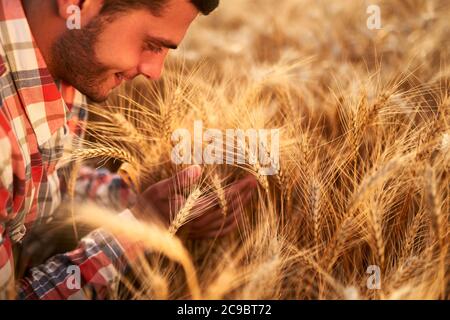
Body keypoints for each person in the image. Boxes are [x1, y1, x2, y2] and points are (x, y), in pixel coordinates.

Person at [0, 0, 257, 299]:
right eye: (151, 44)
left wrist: (138, 194)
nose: (155, 71)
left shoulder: (69, 61)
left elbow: (51, 181)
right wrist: (140, 225)